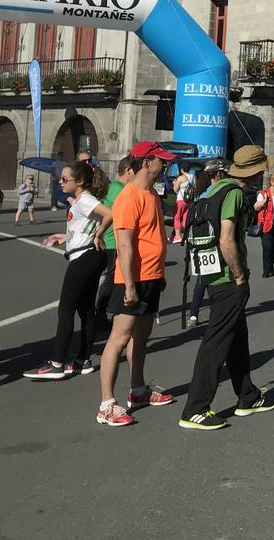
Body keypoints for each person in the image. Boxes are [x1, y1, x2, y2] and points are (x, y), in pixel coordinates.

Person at [178, 147, 274, 431]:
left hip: (210, 275)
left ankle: (247, 395)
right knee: (217, 341)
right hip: (226, 277)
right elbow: (226, 239)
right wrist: (240, 275)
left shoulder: (212, 190)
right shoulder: (234, 193)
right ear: (255, 172)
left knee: (237, 336)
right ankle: (195, 408)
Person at [98, 141, 177, 426]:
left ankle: (138, 389)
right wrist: (129, 285)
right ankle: (107, 404)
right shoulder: (129, 196)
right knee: (119, 338)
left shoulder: (152, 195)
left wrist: (160, 276)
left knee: (141, 337)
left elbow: (154, 238)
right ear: (146, 162)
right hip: (132, 278)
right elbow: (125, 244)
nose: (165, 166)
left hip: (152, 276)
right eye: (161, 161)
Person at [23, 162, 113, 379]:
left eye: (65, 179)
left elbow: (110, 214)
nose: (60, 182)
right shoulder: (82, 201)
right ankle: (83, 359)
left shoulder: (85, 200)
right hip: (89, 254)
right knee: (86, 310)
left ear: (79, 182)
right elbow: (85, 227)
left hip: (85, 258)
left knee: (66, 309)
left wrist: (99, 234)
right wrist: (65, 238)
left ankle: (56, 364)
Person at [95, 158, 134, 324]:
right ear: (128, 171)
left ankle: (104, 311)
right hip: (113, 241)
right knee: (112, 279)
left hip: (111, 240)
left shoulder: (114, 188)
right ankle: (101, 312)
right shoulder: (120, 190)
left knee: (112, 278)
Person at [184, 166, 216, 326]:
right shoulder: (213, 192)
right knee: (215, 276)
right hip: (211, 238)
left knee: (201, 277)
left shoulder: (198, 195)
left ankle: (193, 315)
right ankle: (216, 311)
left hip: (197, 239)